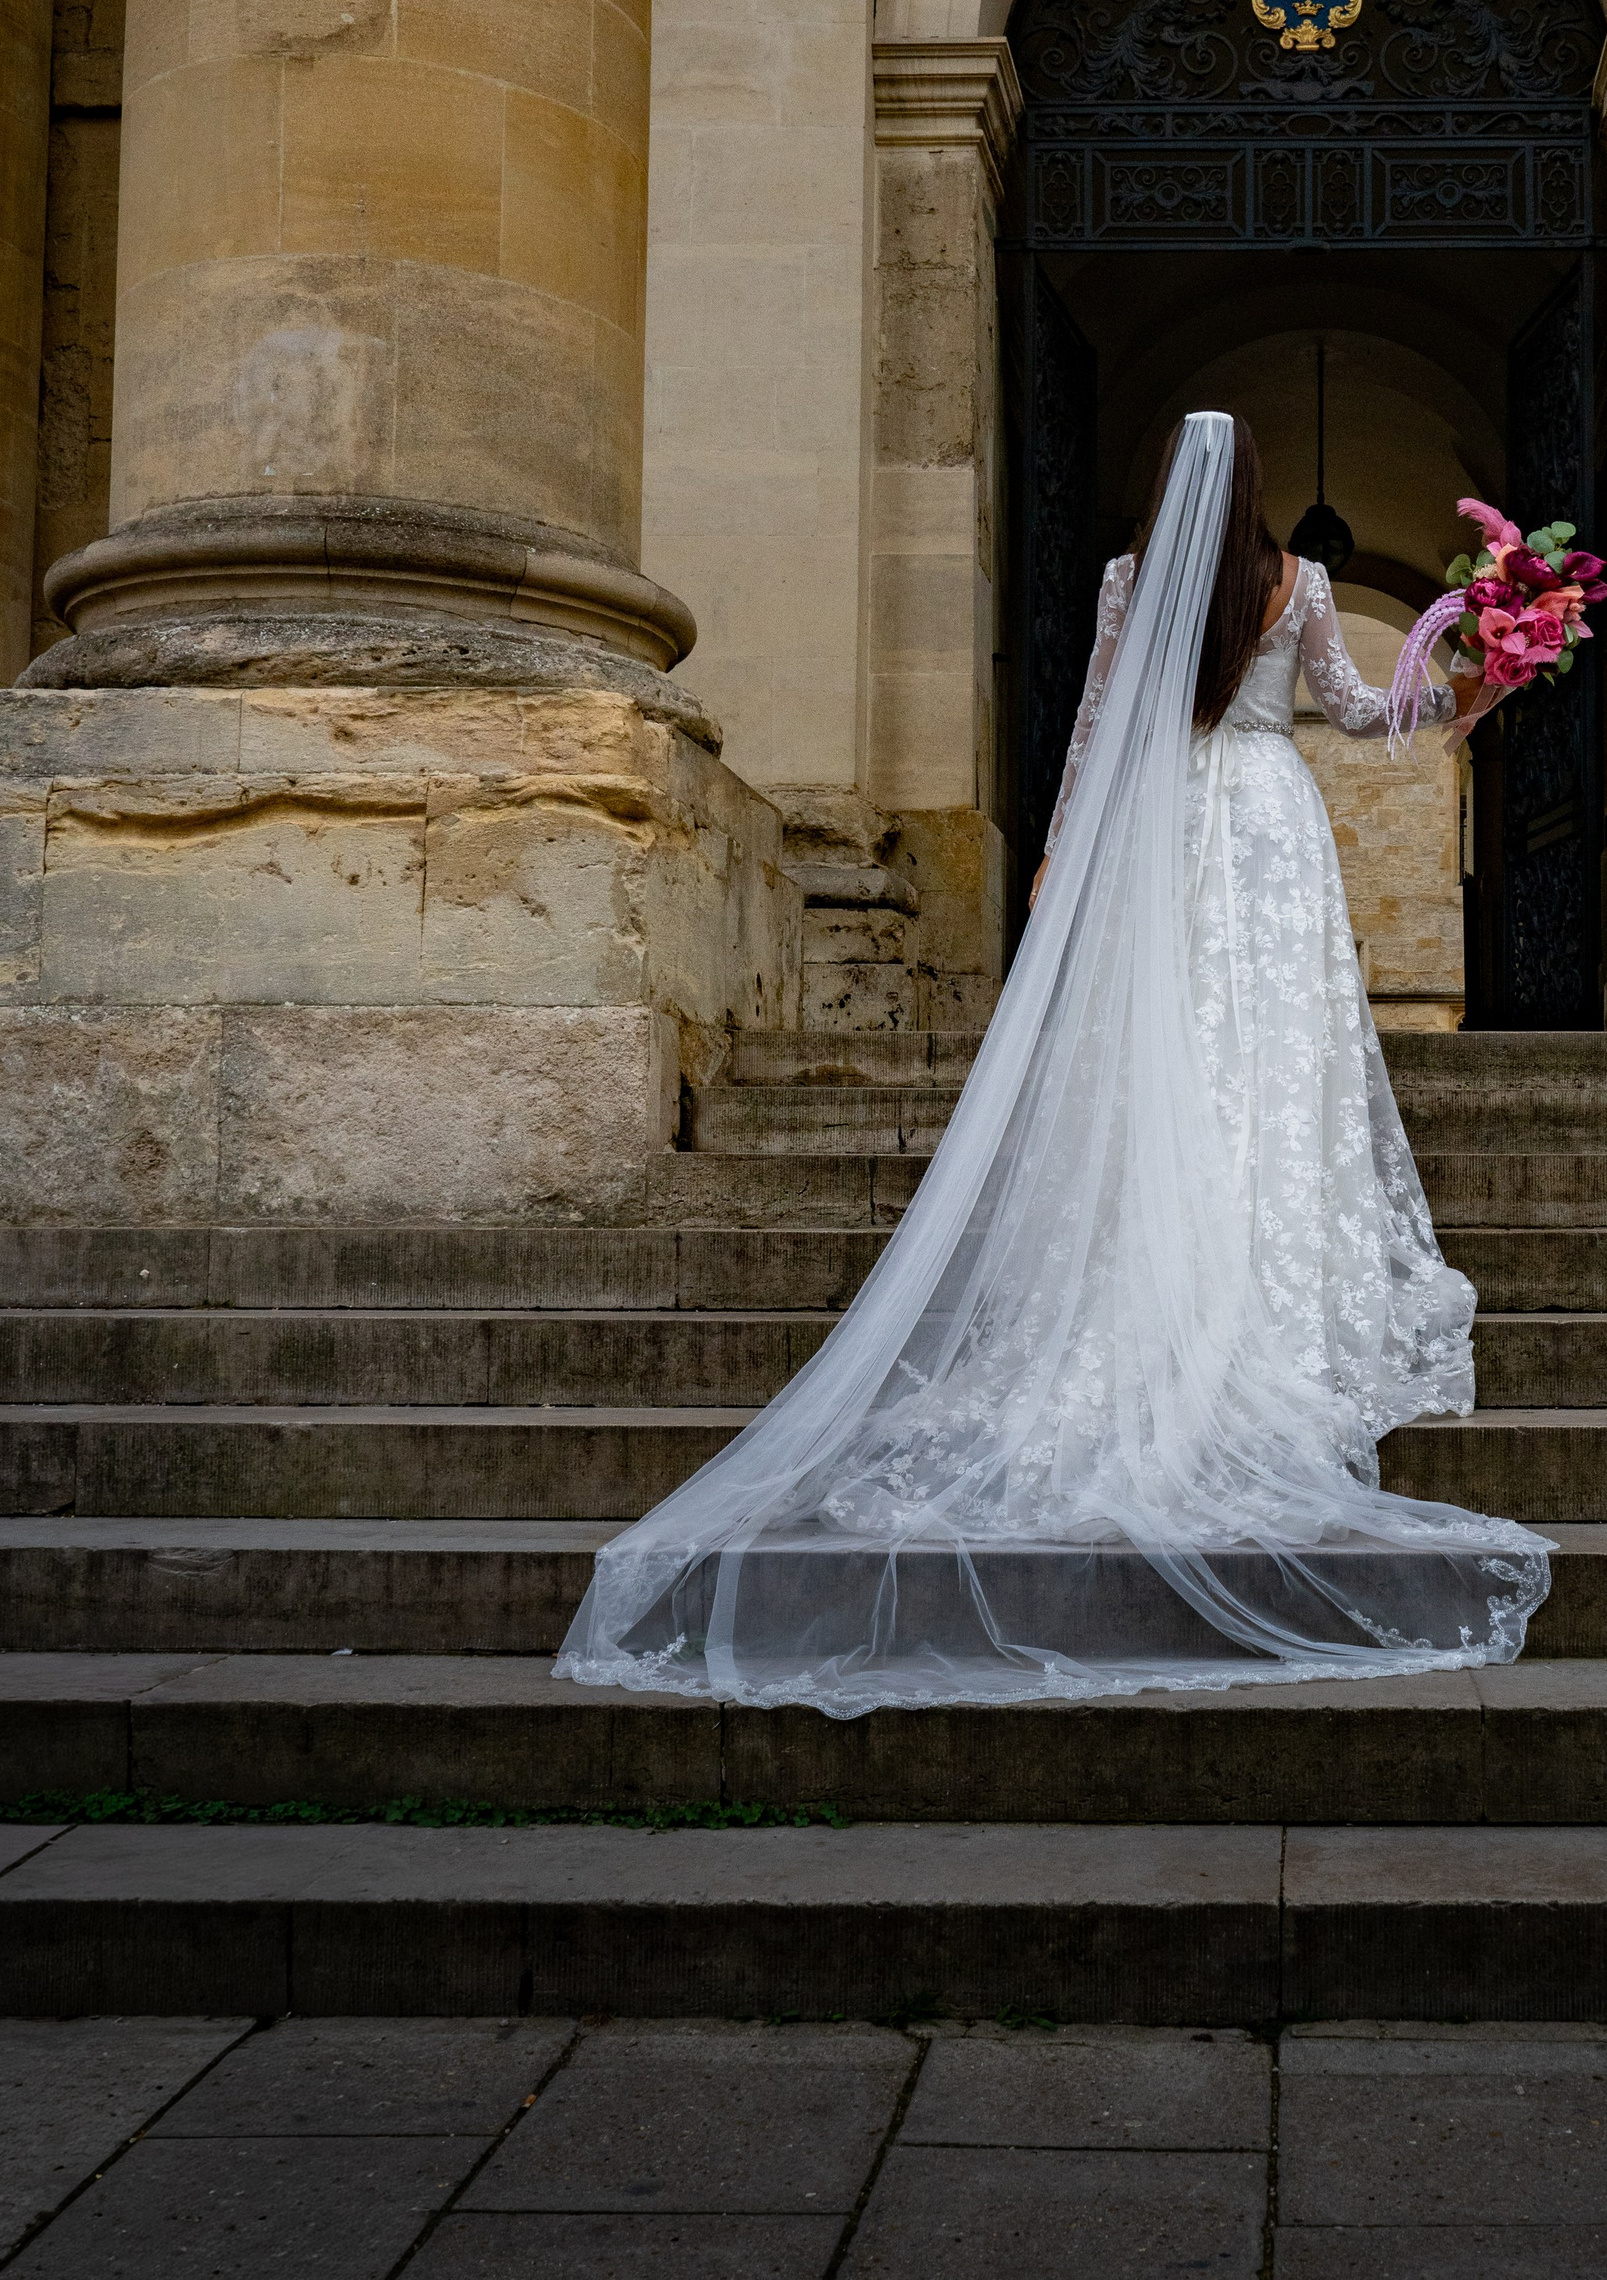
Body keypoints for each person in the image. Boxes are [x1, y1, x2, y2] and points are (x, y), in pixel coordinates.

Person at [556, 409, 1552, 1716]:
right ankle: (1255, 1282)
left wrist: (1060, 851)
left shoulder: (1126, 582)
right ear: (1257, 492)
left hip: (1158, 824)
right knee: (1268, 1056)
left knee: (1163, 1059)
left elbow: (1093, 726)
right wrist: (1474, 682)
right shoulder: (1300, 583)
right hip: (1266, 826)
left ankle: (1160, 1259)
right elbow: (1364, 713)